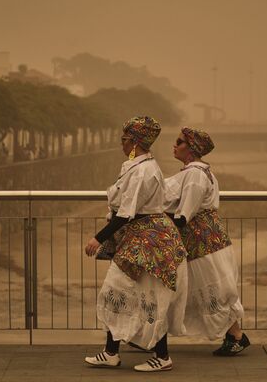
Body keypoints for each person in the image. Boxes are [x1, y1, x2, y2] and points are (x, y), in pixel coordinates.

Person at [83, 116, 188, 372]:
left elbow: (125, 213)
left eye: (125, 139)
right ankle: (111, 352)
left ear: (136, 142)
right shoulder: (136, 166)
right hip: (142, 238)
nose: (121, 142)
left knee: (147, 296)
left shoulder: (142, 171)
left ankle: (161, 357)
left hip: (147, 241)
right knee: (120, 292)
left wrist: (97, 238)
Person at [163, 127, 250, 356]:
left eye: (179, 142)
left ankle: (236, 335)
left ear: (191, 149)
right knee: (210, 287)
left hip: (202, 241)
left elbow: (184, 214)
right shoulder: (199, 172)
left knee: (213, 288)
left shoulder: (194, 175)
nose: (175, 145)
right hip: (208, 239)